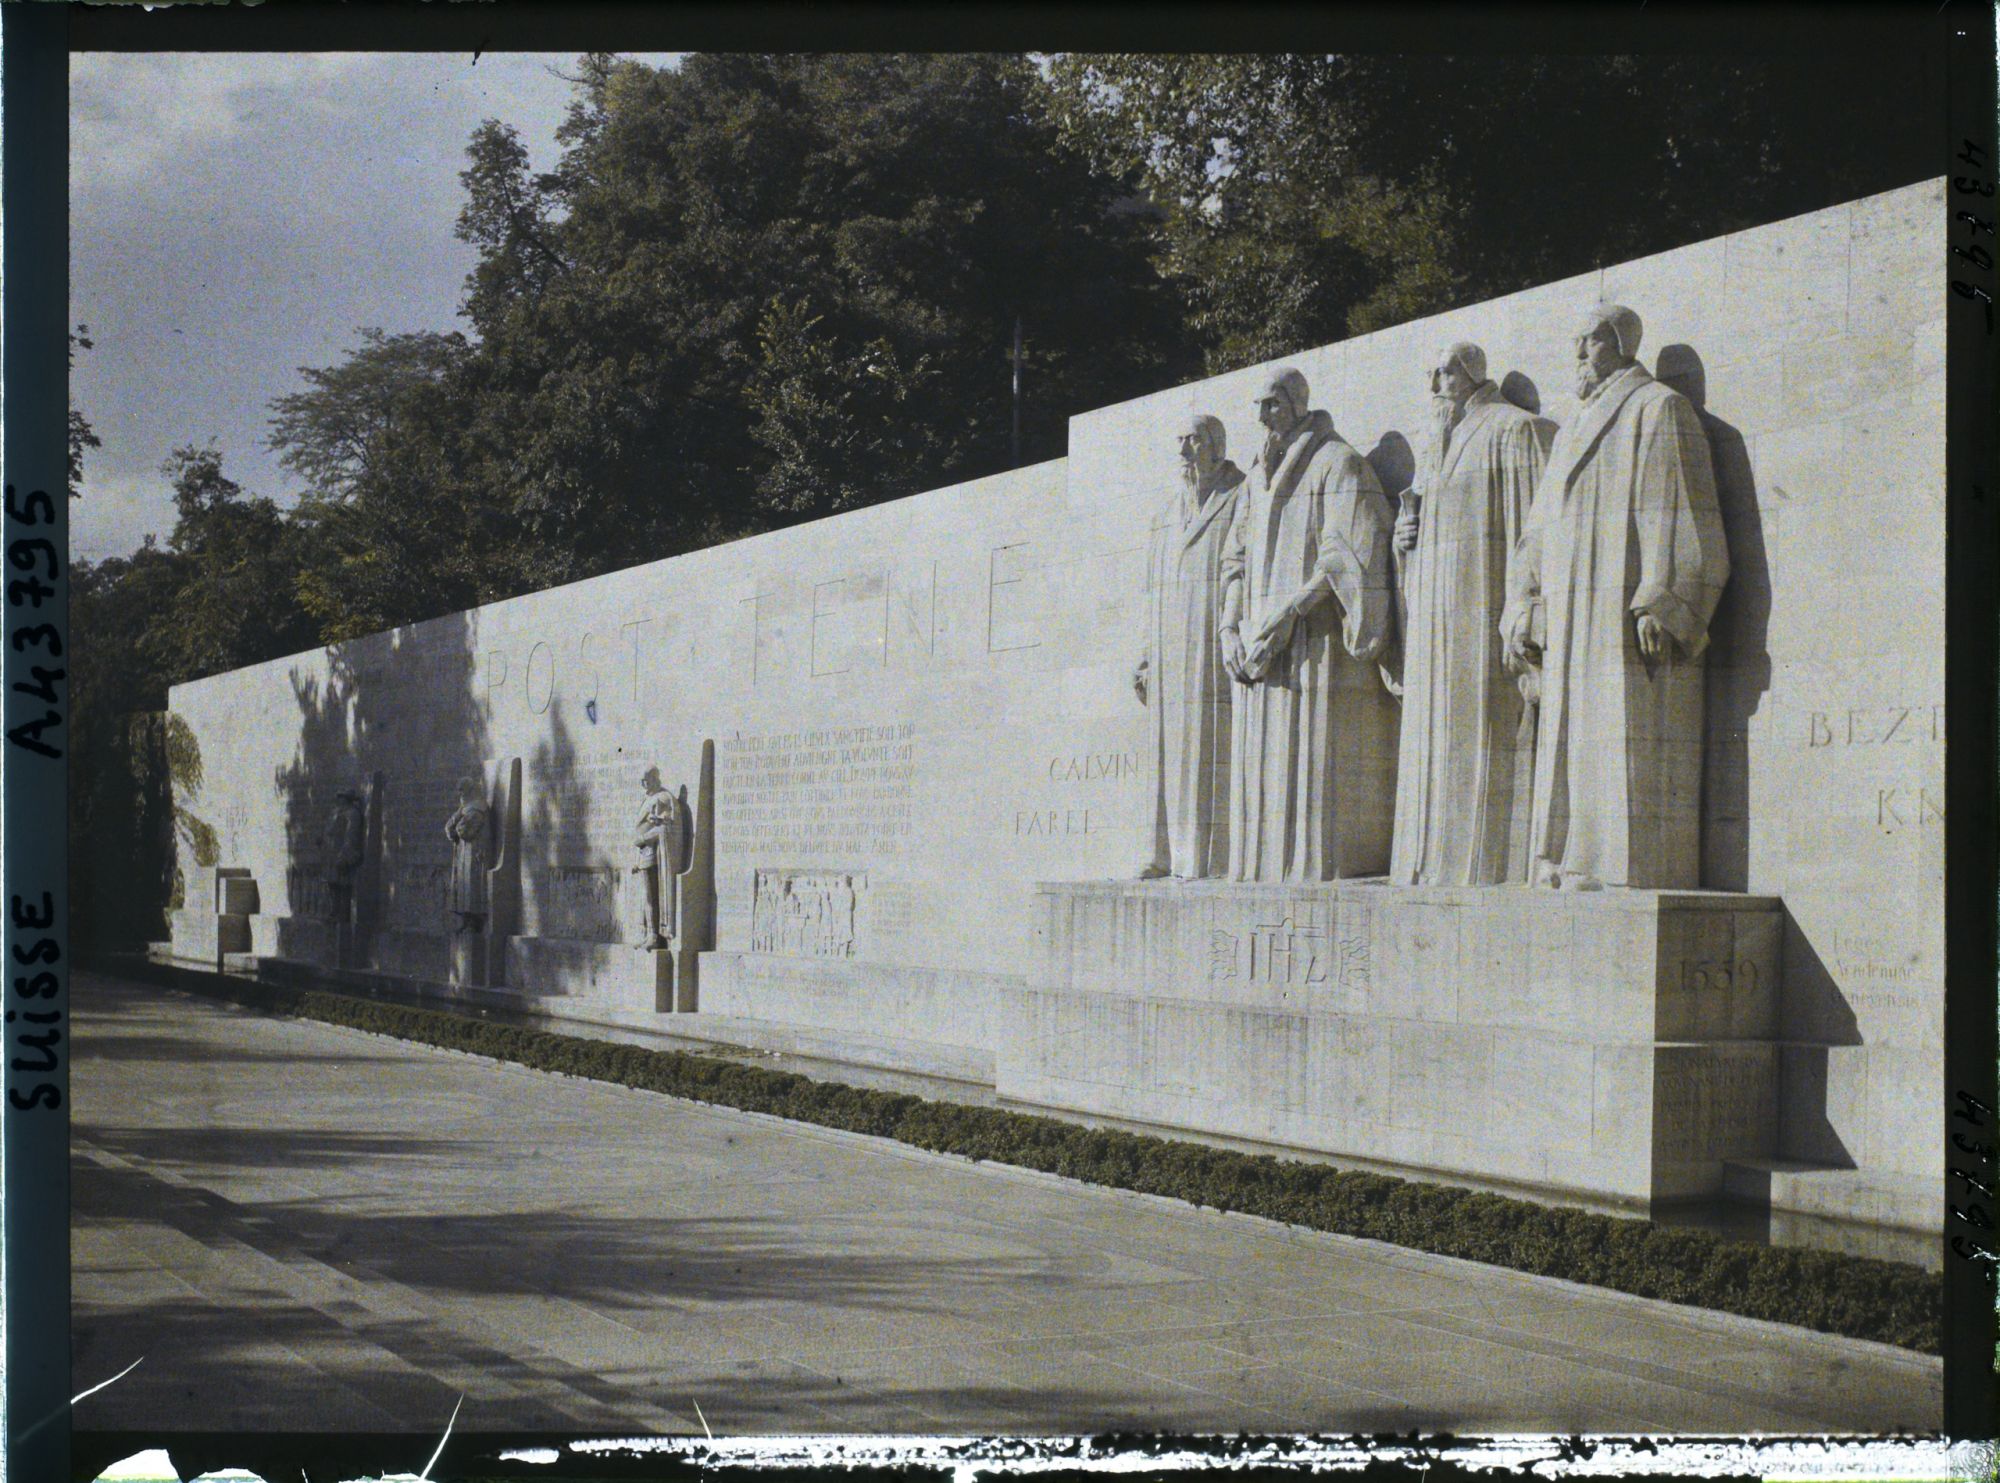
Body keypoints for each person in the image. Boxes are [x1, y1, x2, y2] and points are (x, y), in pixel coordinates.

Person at [1502, 304, 1730, 890]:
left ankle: (1613, 866)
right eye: (1576, 342)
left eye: (1593, 341)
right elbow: (1536, 529)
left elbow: (1679, 502)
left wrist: (1661, 597)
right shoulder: (1573, 427)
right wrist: (1527, 600)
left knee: (1622, 726)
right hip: (1569, 611)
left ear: (1624, 345)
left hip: (1618, 606)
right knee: (1570, 733)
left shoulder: (1657, 408)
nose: (1580, 353)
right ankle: (1565, 855)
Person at [1218, 367, 1400, 882]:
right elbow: (1234, 560)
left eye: (1272, 404)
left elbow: (1353, 553)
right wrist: (1230, 627)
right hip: (1257, 646)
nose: (1262, 416)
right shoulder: (1255, 480)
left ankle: (1311, 866)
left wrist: (1291, 611)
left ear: (1298, 405)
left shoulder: (1337, 464)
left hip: (1313, 645)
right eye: (1258, 406)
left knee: (1311, 768)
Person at [1389, 342, 1555, 885]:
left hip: (1482, 614)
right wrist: (1404, 541)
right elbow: (1415, 542)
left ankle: (1487, 867)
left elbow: (1541, 531)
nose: (1435, 383)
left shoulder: (1514, 429)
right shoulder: (1435, 448)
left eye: (1444, 372)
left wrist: (1526, 608)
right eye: (1431, 373)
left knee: (1483, 738)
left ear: (1469, 374)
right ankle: (1432, 865)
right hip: (1435, 618)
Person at [1133, 413, 1246, 880]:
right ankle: (1162, 854)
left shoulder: (1241, 498)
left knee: (1210, 745)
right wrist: (1145, 656)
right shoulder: (1165, 515)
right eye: (1179, 441)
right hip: (1168, 647)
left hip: (1210, 640)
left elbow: (1241, 570)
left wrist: (1232, 626)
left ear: (1216, 447)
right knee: (1164, 751)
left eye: (1193, 441)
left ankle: (1206, 857)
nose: (1183, 452)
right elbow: (1150, 589)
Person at [632, 767, 688, 949]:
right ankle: (649, 932)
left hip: (654, 853)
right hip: (644, 852)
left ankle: (655, 935)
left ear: (655, 779)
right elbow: (640, 828)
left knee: (652, 896)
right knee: (646, 898)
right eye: (642, 781)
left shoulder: (664, 798)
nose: (644, 784)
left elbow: (665, 829)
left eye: (646, 780)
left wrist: (643, 838)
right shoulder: (648, 799)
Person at [443, 776, 490, 934]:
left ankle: (473, 921)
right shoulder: (466, 808)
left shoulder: (478, 808)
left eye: (462, 790)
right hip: (463, 854)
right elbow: (449, 828)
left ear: (470, 790)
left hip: (474, 854)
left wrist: (458, 819)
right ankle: (465, 918)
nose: (460, 794)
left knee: (471, 887)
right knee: (462, 886)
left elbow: (463, 831)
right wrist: (459, 813)